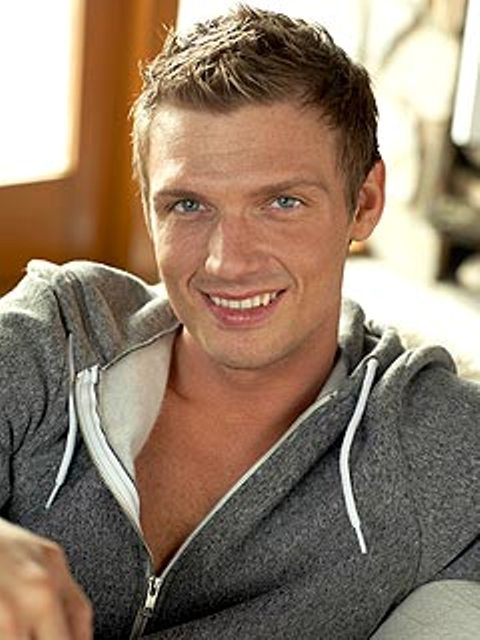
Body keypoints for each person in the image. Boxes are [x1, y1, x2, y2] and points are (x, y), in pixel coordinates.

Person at [0, 5, 479, 639]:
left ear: (364, 203)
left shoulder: (432, 440)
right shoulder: (56, 331)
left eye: (282, 202)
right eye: (188, 205)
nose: (227, 261)